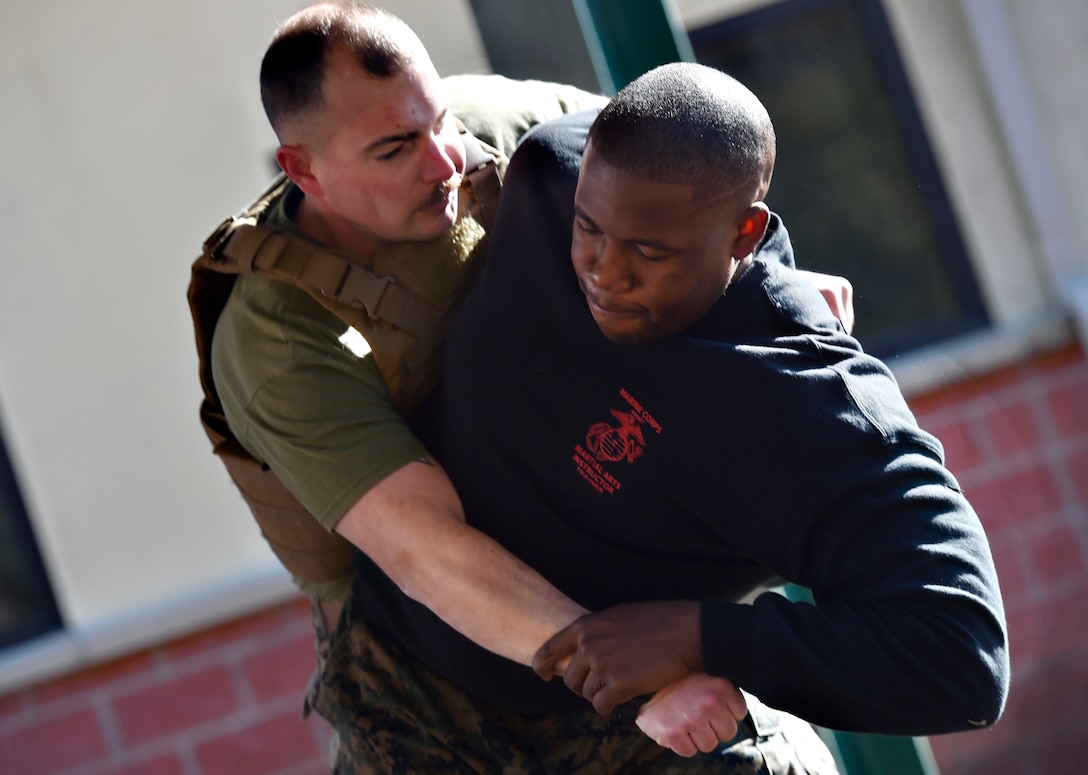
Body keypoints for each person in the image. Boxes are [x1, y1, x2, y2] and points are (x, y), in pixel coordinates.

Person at [190, 2, 855, 770]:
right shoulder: (278, 336)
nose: (444, 160)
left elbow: (690, 179)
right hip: (433, 678)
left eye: (437, 118)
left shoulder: (515, 130)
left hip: (620, 568)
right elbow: (428, 550)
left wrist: (775, 283)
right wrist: (638, 681)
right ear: (301, 169)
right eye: (395, 148)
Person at [374, 62, 1007, 765]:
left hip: (624, 731)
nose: (605, 272)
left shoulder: (800, 402)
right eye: (591, 228)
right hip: (398, 682)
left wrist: (700, 636)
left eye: (649, 251)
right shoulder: (550, 169)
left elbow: (963, 657)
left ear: (743, 234)